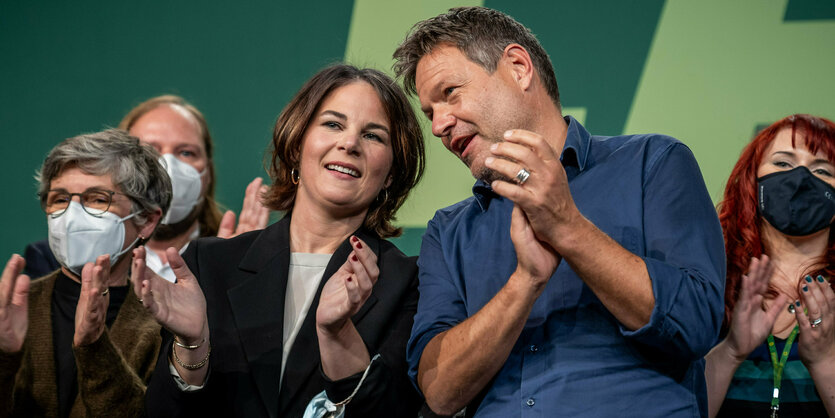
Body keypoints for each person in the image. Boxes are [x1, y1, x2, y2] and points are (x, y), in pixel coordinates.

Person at [393, 7, 725, 417]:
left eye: (450, 93)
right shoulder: (448, 231)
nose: (439, 125)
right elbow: (440, 393)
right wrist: (525, 281)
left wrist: (568, 229)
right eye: (429, 113)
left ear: (518, 67)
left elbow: (696, 324)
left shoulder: (652, 164)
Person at [136, 64, 425, 417]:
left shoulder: (407, 283)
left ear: (391, 173)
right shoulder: (210, 264)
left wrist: (337, 336)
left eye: (373, 136)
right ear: (296, 143)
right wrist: (192, 346)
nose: (349, 143)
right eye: (333, 124)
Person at [0, 129, 172, 417]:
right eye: (59, 199)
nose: (71, 216)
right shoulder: (11, 308)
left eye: (97, 199)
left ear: (146, 221)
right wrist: (4, 357)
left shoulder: (164, 326)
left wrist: (95, 348)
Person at [22, 95, 269, 281]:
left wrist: (229, 280)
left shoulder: (236, 257)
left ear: (207, 174)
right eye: (151, 151)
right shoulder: (56, 259)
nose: (168, 166)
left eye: (186, 152)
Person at [705, 114, 835, 417]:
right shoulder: (710, 280)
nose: (801, 177)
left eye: (822, 170)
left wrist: (826, 360)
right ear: (753, 181)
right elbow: (680, 408)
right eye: (783, 164)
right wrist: (731, 351)